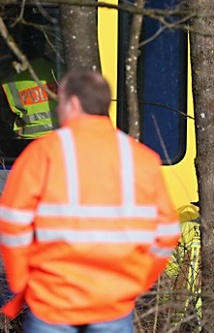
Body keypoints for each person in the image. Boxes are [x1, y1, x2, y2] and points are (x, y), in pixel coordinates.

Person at [0, 70, 180, 332]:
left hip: (52, 301)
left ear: (73, 104)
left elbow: (13, 223)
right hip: (113, 303)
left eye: (59, 102)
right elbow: (167, 232)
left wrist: (22, 283)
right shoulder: (141, 158)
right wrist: (138, 282)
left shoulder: (42, 153)